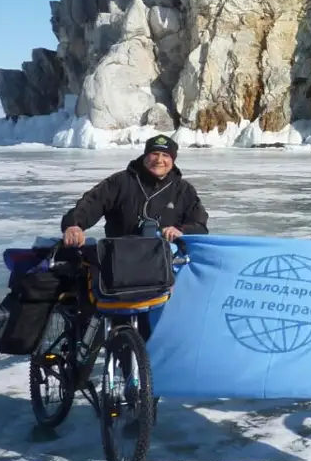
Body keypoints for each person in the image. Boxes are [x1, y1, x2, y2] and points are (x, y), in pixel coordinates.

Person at [59, 133, 209, 341]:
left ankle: (145, 363)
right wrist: (74, 225)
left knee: (156, 330)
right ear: (145, 155)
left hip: (161, 270)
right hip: (120, 266)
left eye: (165, 155)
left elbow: (200, 224)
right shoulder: (121, 182)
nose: (159, 160)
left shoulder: (183, 190)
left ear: (173, 160)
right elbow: (91, 203)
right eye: (154, 153)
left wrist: (181, 230)